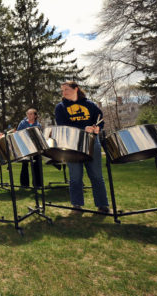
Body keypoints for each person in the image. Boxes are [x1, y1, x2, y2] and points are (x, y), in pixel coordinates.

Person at [55, 80, 109, 214]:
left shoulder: (89, 104)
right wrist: (83, 128)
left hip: (92, 142)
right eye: (62, 90)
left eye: (66, 89)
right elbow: (62, 126)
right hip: (71, 145)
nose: (64, 92)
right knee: (75, 176)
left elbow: (100, 119)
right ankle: (77, 205)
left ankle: (102, 205)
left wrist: (97, 128)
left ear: (76, 89)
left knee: (97, 175)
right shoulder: (60, 107)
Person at [17, 108, 43, 188]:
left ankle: (38, 184)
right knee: (24, 165)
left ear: (35, 116)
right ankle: (24, 184)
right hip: (25, 146)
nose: (29, 115)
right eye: (28, 114)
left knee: (36, 165)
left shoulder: (38, 125)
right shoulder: (22, 123)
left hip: (35, 147)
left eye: (31, 114)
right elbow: (18, 133)